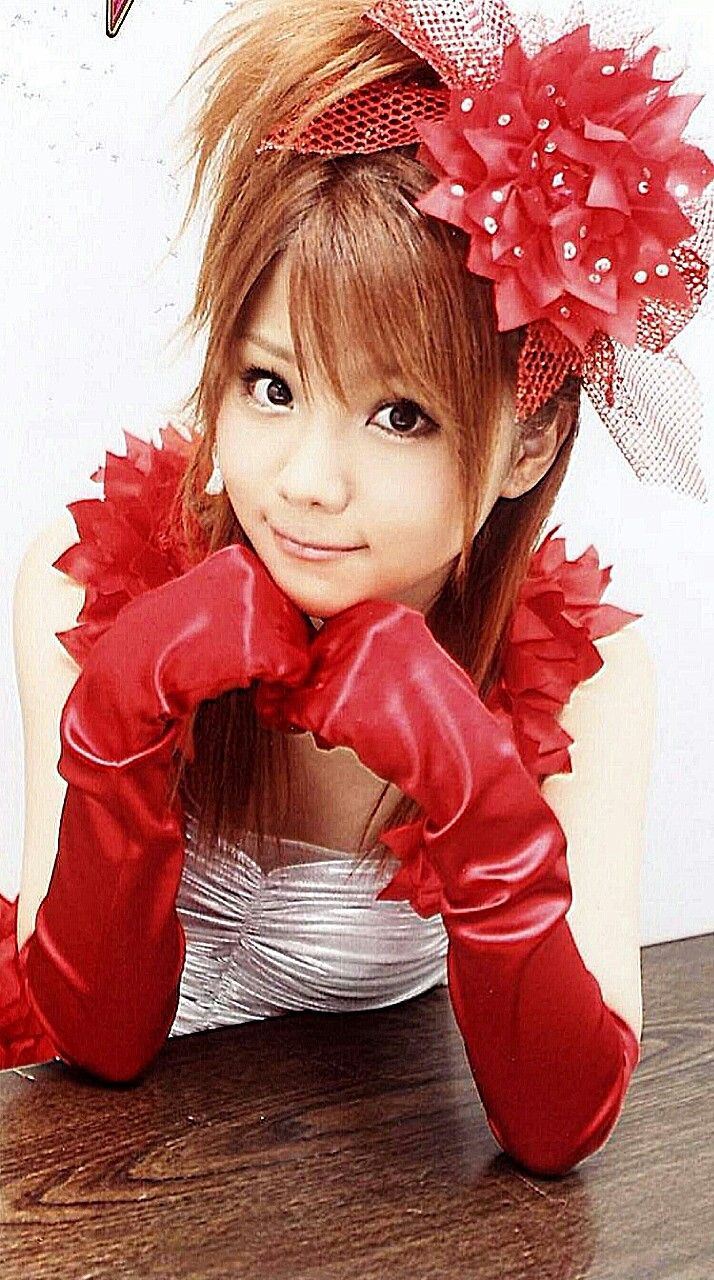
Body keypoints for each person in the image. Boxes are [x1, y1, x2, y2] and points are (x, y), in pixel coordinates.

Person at [0, 0, 711, 1177]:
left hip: (338, 1180)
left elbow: (557, 1128)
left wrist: (474, 782)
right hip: (69, 1164)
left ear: (528, 442)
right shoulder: (79, 585)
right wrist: (122, 710)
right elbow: (97, 1041)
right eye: (272, 385)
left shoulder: (586, 681)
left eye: (399, 414)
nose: (307, 482)